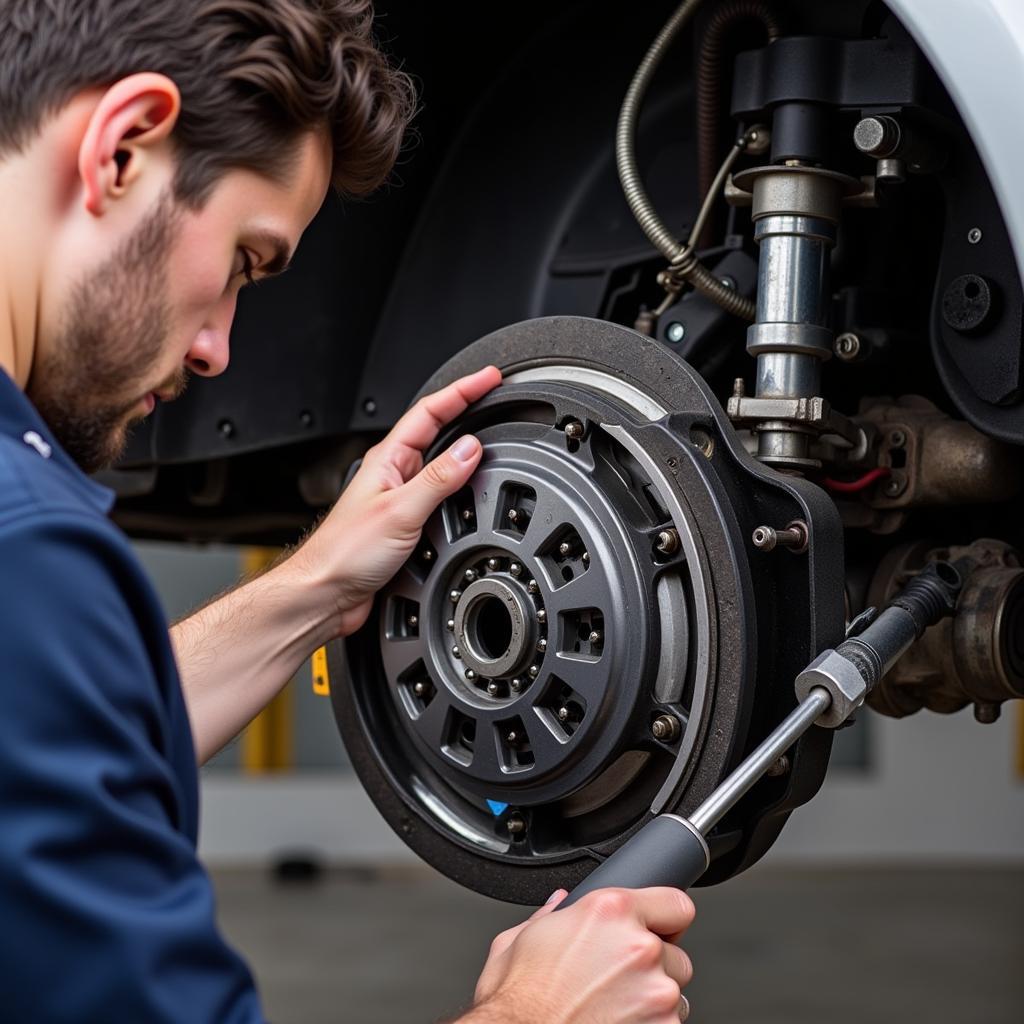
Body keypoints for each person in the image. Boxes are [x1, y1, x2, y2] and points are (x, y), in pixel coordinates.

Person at [0, 2, 695, 1021]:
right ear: (123, 148)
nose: (216, 352)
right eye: (244, 259)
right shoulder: (32, 560)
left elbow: (56, 733)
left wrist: (319, 584)